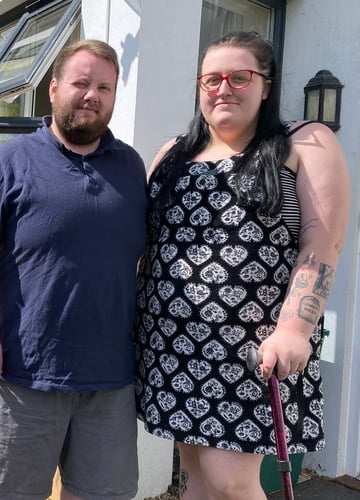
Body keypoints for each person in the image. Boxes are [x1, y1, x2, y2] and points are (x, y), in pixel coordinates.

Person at [134, 31, 351, 499]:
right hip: (170, 345)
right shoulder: (171, 153)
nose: (223, 88)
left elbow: (323, 239)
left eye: (239, 77)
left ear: (266, 85)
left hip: (250, 351)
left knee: (231, 483)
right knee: (192, 471)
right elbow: (141, 239)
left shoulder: (303, 141)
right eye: (211, 79)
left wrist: (295, 328)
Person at [0, 39, 146, 500]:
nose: (92, 95)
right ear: (54, 89)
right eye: (81, 83)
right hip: (26, 372)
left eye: (104, 86)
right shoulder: (11, 161)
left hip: (110, 378)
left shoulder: (131, 166)